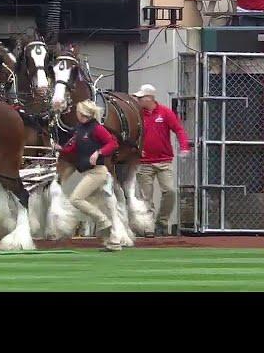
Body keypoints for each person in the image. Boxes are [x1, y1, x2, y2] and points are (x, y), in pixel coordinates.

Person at [57, 100, 121, 252]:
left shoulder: (96, 128)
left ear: (82, 113)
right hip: (89, 172)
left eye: (77, 112)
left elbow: (113, 144)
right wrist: (60, 149)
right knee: (104, 205)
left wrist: (99, 152)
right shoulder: (80, 129)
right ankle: (113, 242)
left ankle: (103, 221)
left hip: (97, 172)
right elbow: (73, 148)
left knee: (76, 199)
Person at [133, 84, 190, 238]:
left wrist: (184, 147)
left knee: (170, 191)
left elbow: (178, 129)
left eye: (140, 97)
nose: (138, 100)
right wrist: (137, 150)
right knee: (146, 196)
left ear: (149, 98)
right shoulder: (137, 114)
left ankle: (162, 222)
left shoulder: (165, 112)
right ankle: (149, 226)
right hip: (144, 163)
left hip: (164, 161)